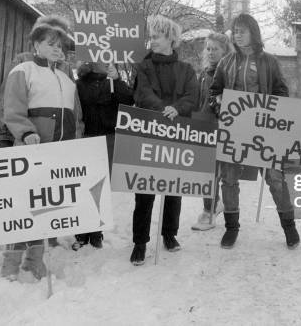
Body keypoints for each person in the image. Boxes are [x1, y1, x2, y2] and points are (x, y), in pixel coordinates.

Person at [2, 15, 83, 281]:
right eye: (50, 43)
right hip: (32, 150)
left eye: (60, 45)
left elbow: (76, 117)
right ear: (36, 44)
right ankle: (10, 264)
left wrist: (76, 142)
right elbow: (13, 110)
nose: (57, 48)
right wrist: (26, 133)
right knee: (24, 209)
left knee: (45, 209)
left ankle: (35, 261)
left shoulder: (67, 79)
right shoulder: (23, 70)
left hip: (60, 153)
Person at [209, 13, 300, 250]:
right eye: (234, 31)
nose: (237, 34)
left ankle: (289, 227)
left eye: (241, 30)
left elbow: (281, 91)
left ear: (253, 32)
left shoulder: (269, 61)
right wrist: (219, 104)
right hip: (234, 130)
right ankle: (231, 228)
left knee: (275, 178)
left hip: (264, 131)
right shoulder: (225, 62)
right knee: (228, 179)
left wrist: (273, 110)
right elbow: (213, 92)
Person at [129, 15, 199, 266]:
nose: (152, 42)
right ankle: (140, 242)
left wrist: (177, 108)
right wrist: (163, 109)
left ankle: (169, 234)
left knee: (174, 188)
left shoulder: (187, 70)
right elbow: (142, 93)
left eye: (156, 37)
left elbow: (193, 96)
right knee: (144, 190)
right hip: (149, 132)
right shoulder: (143, 67)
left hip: (178, 134)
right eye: (151, 37)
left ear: (171, 38)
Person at [71, 62, 134, 250]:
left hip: (108, 138)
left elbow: (129, 99)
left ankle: (96, 231)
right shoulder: (77, 84)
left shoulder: (113, 82)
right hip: (85, 138)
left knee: (101, 186)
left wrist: (117, 79)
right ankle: (82, 231)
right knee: (83, 184)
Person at [190, 32, 233, 231]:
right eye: (208, 48)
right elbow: (200, 101)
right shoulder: (205, 72)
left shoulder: (230, 73)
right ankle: (213, 204)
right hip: (204, 126)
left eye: (215, 48)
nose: (211, 52)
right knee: (206, 171)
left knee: (217, 172)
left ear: (225, 51)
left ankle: (210, 210)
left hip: (223, 127)